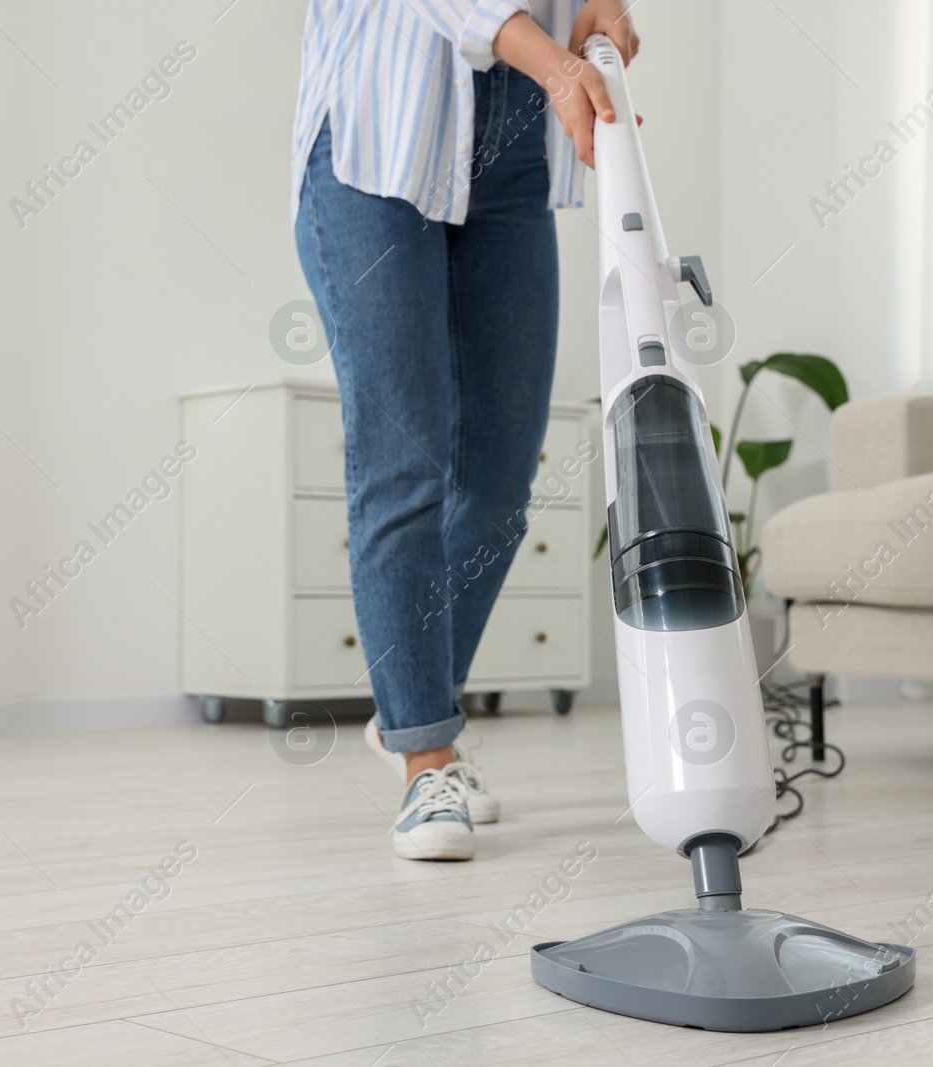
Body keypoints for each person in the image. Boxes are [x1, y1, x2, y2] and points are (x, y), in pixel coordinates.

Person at [291, 0, 638, 860]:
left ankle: (412, 704)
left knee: (498, 483)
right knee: (402, 462)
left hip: (513, 154)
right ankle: (426, 758)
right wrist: (559, 68)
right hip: (378, 144)